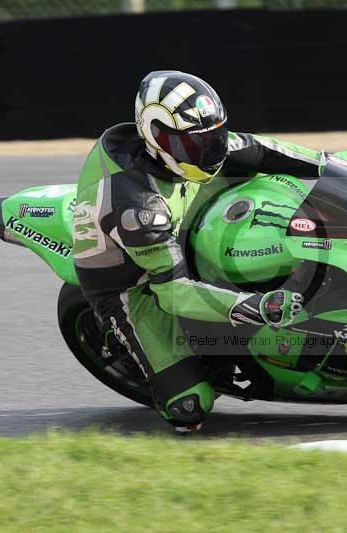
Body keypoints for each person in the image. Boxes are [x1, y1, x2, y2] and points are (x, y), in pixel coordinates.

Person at [72, 70, 321, 431]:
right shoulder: (138, 208)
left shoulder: (191, 145)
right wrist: (252, 307)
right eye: (195, 144)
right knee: (189, 408)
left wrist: (332, 163)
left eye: (214, 136)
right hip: (133, 286)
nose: (209, 150)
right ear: (157, 139)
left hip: (178, 218)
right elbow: (173, 292)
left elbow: (260, 149)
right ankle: (149, 350)